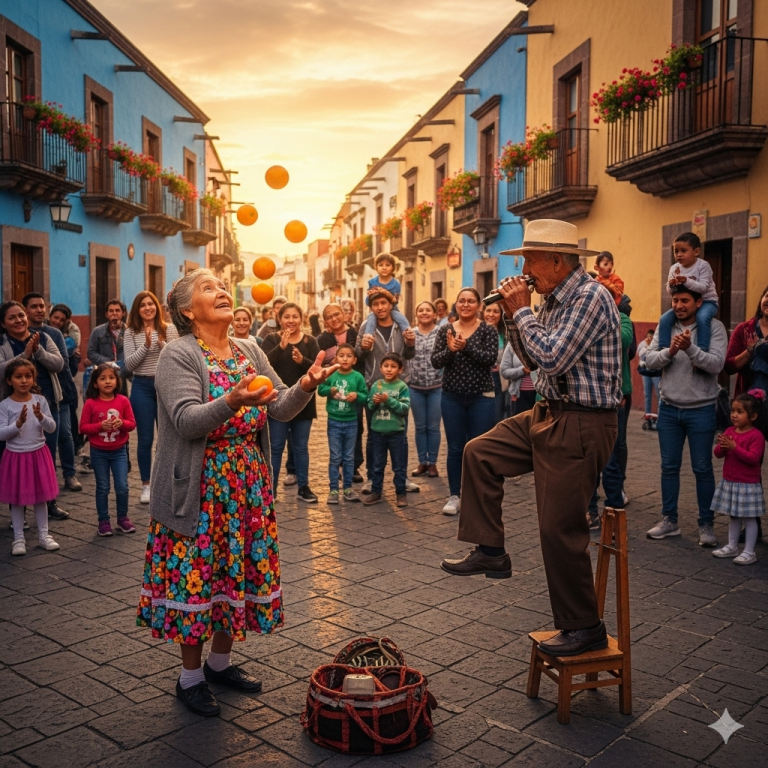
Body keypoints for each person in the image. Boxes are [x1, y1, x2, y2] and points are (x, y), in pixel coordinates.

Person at [136, 268, 336, 717]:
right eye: (209, 289)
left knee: (236, 573)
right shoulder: (178, 354)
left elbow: (280, 406)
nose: (222, 292)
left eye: (222, 287)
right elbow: (186, 420)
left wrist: (306, 384)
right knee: (197, 578)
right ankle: (189, 678)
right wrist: (232, 401)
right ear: (188, 310)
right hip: (200, 488)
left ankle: (219, 664)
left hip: (247, 484)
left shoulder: (248, 349)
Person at [440, 219, 621, 658]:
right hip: (547, 411)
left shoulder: (590, 296)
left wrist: (520, 311)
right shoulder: (552, 298)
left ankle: (584, 627)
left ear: (557, 261)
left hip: (582, 421)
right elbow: (532, 360)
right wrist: (515, 319)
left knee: (559, 529)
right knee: (479, 452)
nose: (524, 270)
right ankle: (491, 550)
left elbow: (555, 359)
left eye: (529, 261)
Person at [645, 284, 727, 546]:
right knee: (669, 467)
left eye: (685, 301)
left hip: (701, 409)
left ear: (699, 302)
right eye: (675, 300)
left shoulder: (714, 328)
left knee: (702, 468)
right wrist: (670, 351)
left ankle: (706, 525)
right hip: (668, 408)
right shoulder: (666, 326)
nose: (679, 306)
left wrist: (690, 348)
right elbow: (648, 360)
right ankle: (669, 520)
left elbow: (716, 364)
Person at [0, 300, 71, 521]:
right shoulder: (2, 343)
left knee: (46, 458)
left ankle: (50, 503)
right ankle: (17, 513)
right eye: (12, 317)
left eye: (21, 315)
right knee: (17, 463)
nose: (19, 320)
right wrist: (24, 356)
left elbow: (58, 364)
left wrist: (37, 350)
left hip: (46, 405)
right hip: (14, 410)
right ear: (3, 323)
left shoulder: (43, 337)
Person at [431, 287, 497, 516]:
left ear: (479, 305)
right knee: (456, 448)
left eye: (470, 301)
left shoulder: (488, 330)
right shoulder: (445, 331)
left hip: (482, 398)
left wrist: (465, 347)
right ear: (456, 305)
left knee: (478, 448)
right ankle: (454, 495)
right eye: (461, 301)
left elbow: (489, 359)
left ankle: (477, 495)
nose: (466, 304)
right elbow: (435, 362)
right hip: (452, 398)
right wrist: (450, 351)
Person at [355, 289, 418, 494]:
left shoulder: (402, 325)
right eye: (375, 305)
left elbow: (409, 355)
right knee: (373, 435)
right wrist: (364, 347)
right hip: (374, 384)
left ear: (391, 304)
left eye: (383, 303)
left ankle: (403, 477)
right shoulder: (366, 326)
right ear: (371, 308)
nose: (380, 307)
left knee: (401, 434)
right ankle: (373, 479)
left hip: (399, 387)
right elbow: (358, 355)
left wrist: (410, 343)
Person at [22, 293, 82, 499]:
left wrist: (67, 394)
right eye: (34, 306)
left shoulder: (53, 334)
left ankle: (68, 474)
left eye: (42, 306)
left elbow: (62, 364)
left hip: (56, 394)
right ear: (25, 310)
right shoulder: (20, 333)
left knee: (63, 436)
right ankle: (40, 485)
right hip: (28, 397)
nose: (40, 310)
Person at [261, 302, 321, 502]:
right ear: (279, 319)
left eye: (295, 316)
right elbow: (263, 365)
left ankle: (304, 488)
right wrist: (282, 347)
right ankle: (272, 490)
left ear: (301, 318)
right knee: (276, 447)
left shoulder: (309, 341)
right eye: (286, 317)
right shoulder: (270, 339)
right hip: (277, 402)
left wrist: (302, 361)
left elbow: (316, 370)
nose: (291, 321)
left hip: (303, 402)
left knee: (300, 447)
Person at [123, 290, 179, 504]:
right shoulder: (130, 333)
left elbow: (174, 359)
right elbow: (129, 365)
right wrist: (146, 346)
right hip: (142, 386)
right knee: (145, 439)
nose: (148, 307)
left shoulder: (169, 329)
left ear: (157, 307)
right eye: (143, 305)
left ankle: (166, 484)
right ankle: (146, 485)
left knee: (166, 439)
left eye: (151, 303)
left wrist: (161, 344)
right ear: (138, 310)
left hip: (165, 385)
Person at [0, 358, 60, 556]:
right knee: (17, 500)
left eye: (28, 376)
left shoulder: (40, 401)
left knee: (40, 498)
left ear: (33, 379)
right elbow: (1, 434)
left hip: (38, 455)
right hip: (16, 456)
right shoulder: (5, 405)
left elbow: (52, 428)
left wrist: (41, 417)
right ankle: (18, 538)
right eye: (18, 377)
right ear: (9, 381)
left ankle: (44, 535)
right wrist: (17, 424)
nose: (23, 380)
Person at [79, 364, 136, 537]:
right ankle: (103, 521)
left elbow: (132, 424)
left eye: (111, 378)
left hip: (119, 451)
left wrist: (123, 424)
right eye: (102, 378)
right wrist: (99, 426)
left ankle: (122, 518)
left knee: (123, 486)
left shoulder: (123, 401)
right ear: (95, 383)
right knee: (102, 487)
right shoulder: (91, 403)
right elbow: (83, 427)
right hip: (99, 452)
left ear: (117, 381)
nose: (107, 381)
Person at [710, 390, 765, 565]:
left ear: (753, 416)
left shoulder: (756, 436)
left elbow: (753, 458)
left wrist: (734, 447)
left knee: (749, 518)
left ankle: (749, 551)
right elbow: (718, 454)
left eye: (740, 412)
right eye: (733, 411)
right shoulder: (729, 431)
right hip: (731, 481)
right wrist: (722, 445)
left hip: (748, 484)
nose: (734, 415)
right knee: (733, 516)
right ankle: (732, 546)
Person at [317, 303, 364, 481]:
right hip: (335, 392)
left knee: (356, 428)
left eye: (336, 314)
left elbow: (361, 358)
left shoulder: (355, 334)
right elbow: (317, 363)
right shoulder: (322, 339)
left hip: (354, 386)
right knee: (336, 430)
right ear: (325, 321)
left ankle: (354, 466)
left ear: (344, 314)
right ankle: (337, 465)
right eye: (329, 317)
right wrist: (329, 368)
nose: (334, 319)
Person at [318, 343, 367, 504]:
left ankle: (347, 488)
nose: (345, 358)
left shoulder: (358, 377)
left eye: (349, 356)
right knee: (335, 457)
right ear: (335, 359)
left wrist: (357, 395)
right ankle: (333, 490)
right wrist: (330, 390)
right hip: (334, 421)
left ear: (354, 360)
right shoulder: (331, 374)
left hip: (352, 421)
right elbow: (320, 390)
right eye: (341, 355)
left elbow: (365, 395)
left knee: (348, 457)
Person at [362, 352, 410, 507]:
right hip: (378, 432)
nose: (389, 369)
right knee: (377, 464)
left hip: (397, 433)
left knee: (399, 465)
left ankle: (401, 493)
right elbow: (369, 406)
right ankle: (376, 492)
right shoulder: (376, 385)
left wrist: (388, 400)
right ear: (381, 368)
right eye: (386, 366)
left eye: (393, 366)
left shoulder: (402, 387)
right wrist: (374, 402)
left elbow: (404, 408)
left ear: (400, 369)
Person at [658, 232, 718, 352]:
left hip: (707, 302)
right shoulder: (674, 268)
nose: (679, 255)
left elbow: (703, 288)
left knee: (702, 317)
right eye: (676, 251)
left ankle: (703, 350)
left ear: (696, 252)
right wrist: (671, 285)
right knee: (664, 319)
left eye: (683, 251)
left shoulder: (703, 266)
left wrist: (686, 281)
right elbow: (670, 291)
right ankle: (663, 349)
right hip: (687, 304)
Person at [409, 301, 442, 477]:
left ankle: (433, 463)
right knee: (420, 427)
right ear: (416, 315)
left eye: (428, 310)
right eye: (420, 310)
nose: (424, 313)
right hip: (415, 388)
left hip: (437, 387)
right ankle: (422, 462)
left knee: (434, 427)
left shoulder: (441, 332)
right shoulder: (410, 334)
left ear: (434, 314)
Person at [48, 303, 84, 456]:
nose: (57, 321)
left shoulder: (72, 330)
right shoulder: (42, 328)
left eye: (61, 320)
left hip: (65, 380)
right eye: (55, 317)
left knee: (67, 423)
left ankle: (75, 447)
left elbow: (68, 348)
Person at [360, 254, 410, 335]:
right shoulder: (372, 282)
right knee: (371, 319)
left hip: (392, 309)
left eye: (387, 265)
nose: (384, 268)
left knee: (400, 318)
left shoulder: (396, 284)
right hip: (376, 309)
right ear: (376, 267)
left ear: (393, 267)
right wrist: (370, 295)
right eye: (380, 265)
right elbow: (368, 301)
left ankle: (408, 334)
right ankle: (368, 337)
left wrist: (385, 292)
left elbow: (395, 301)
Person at [87, 299, 129, 390]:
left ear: (123, 313)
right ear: (106, 314)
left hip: (123, 373)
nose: (114, 313)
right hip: (104, 371)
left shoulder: (130, 332)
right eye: (111, 311)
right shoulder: (97, 331)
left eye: (117, 310)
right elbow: (91, 352)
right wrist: (107, 362)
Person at [483, 301, 510, 423]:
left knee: (498, 412)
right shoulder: (478, 332)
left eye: (495, 311)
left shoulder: (505, 334)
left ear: (501, 314)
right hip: (481, 379)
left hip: (500, 378)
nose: (491, 314)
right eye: (488, 310)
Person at [500, 344, 537, 416]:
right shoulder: (512, 344)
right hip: (520, 396)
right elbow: (504, 371)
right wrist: (522, 370)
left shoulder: (541, 340)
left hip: (541, 395)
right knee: (521, 425)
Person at [637, 327, 660, 418]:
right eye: (648, 336)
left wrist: (651, 346)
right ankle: (647, 414)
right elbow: (640, 354)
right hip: (645, 371)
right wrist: (647, 346)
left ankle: (660, 415)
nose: (649, 338)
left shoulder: (656, 344)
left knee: (658, 394)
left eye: (651, 337)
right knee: (647, 394)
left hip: (656, 371)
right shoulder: (642, 344)